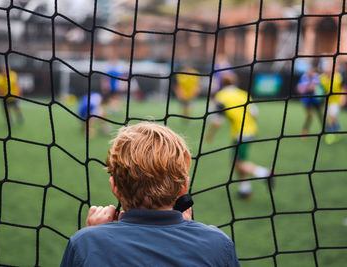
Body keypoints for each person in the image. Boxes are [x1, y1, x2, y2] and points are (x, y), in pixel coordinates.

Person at [61, 122, 240, 267]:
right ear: (184, 187)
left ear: (114, 186)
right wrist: (191, 233)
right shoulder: (217, 244)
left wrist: (92, 235)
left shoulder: (85, 243)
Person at [205, 72, 273, 200]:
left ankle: (264, 173)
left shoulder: (221, 96)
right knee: (239, 161)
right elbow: (254, 114)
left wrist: (209, 135)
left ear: (222, 83)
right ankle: (245, 189)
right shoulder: (243, 94)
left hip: (240, 134)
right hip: (251, 131)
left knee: (236, 163)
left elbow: (217, 121)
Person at [319, 59, 346, 144]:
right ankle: (338, 129)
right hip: (327, 101)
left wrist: (343, 97)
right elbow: (320, 88)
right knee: (331, 118)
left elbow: (343, 88)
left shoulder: (338, 76)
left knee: (331, 117)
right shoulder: (322, 77)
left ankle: (330, 134)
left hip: (336, 101)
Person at [296, 65, 324, 138]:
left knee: (320, 115)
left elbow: (315, 87)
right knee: (309, 116)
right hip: (307, 100)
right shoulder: (304, 77)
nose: (310, 72)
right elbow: (299, 89)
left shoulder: (317, 76)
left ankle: (325, 130)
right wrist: (308, 88)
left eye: (311, 70)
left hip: (316, 99)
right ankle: (305, 131)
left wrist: (307, 88)